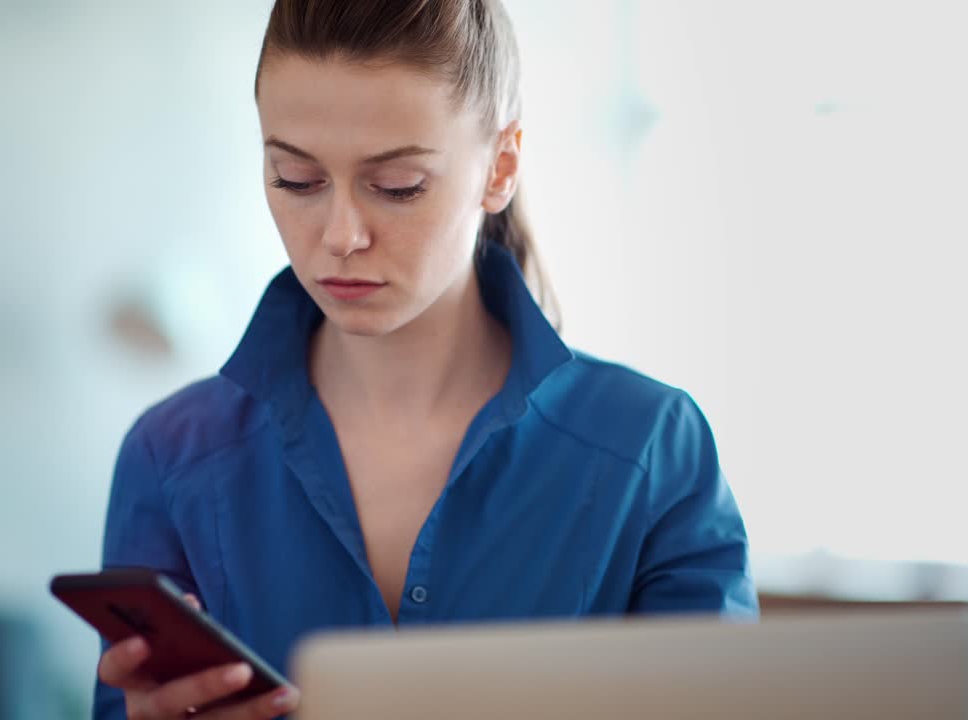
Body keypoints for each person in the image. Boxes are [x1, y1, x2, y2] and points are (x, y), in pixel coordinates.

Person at [93, 0, 756, 717]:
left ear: (500, 166)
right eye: (296, 178)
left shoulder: (652, 448)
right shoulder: (171, 454)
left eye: (397, 186)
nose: (341, 235)